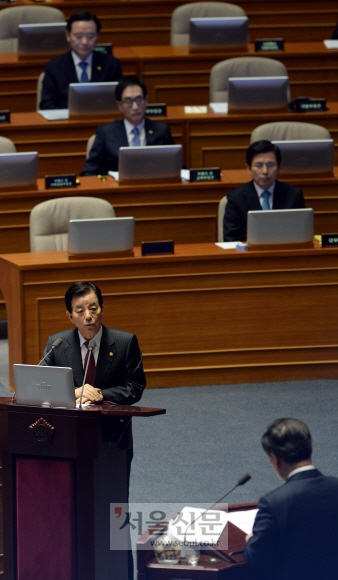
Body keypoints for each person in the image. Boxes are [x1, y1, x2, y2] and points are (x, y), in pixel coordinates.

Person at [244, 418, 338, 580]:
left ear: (275, 459)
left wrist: (252, 539)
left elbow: (257, 560)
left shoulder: (274, 503)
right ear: (310, 448)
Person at [42, 280, 146, 405]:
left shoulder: (125, 342)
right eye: (80, 311)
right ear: (70, 316)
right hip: (69, 420)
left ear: (102, 310)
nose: (88, 316)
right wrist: (74, 392)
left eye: (93, 309)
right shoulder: (57, 344)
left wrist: (100, 395)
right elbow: (42, 385)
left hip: (110, 420)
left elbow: (135, 387)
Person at [81, 75, 175, 175]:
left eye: (139, 100)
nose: (135, 107)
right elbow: (88, 172)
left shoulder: (161, 130)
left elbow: (176, 168)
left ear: (146, 101)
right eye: (129, 102)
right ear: (119, 105)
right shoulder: (106, 133)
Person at [223, 140, 306, 241]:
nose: (265, 171)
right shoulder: (236, 198)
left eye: (270, 165)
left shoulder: (294, 195)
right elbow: (231, 238)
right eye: (259, 165)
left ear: (279, 167)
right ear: (249, 168)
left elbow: (301, 234)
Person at [39, 11, 122, 110]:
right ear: (68, 36)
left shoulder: (110, 64)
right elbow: (46, 105)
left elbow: (120, 100)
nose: (84, 42)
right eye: (78, 36)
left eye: (90, 36)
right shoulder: (54, 67)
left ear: (98, 36)